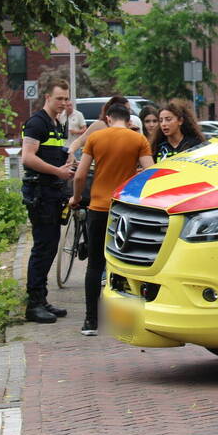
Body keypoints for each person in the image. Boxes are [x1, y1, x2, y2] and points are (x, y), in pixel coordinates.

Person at [69, 102, 153, 335]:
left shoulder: (96, 138)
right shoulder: (138, 140)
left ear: (107, 118)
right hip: (124, 209)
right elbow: (150, 173)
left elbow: (80, 176)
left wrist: (76, 198)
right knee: (126, 264)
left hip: (98, 208)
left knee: (95, 265)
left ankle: (90, 322)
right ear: (129, 120)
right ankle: (128, 321)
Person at [20, 77, 75, 324]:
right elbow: (27, 157)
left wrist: (67, 161)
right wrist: (58, 172)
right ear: (47, 98)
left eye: (66, 98)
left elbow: (50, 154)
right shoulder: (37, 123)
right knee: (43, 247)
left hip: (52, 193)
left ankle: (41, 299)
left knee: (50, 246)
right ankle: (33, 305)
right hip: (40, 194)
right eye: (59, 98)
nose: (63, 103)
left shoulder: (57, 123)